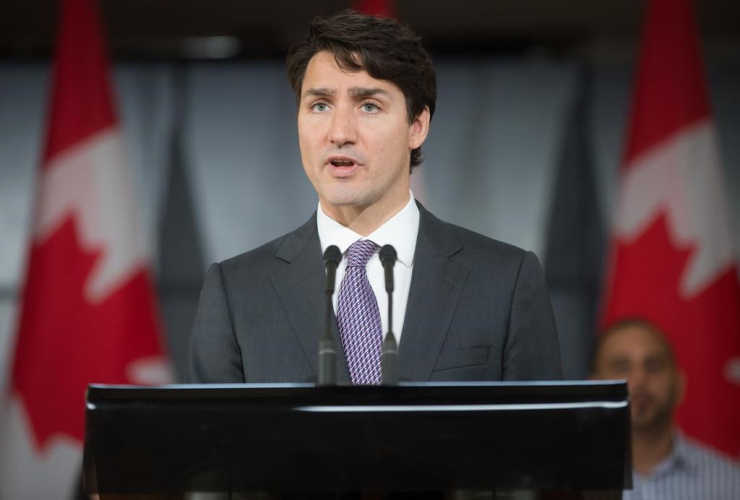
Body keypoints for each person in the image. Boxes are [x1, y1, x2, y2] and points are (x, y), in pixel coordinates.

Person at [189, 10, 562, 385]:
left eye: (368, 105)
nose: (339, 133)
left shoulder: (504, 281)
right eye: (320, 105)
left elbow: (542, 441)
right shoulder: (236, 292)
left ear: (416, 126)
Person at [592, 318, 740, 499]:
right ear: (594, 388)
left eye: (653, 366)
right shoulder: (565, 482)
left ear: (679, 385)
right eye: (622, 367)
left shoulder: (731, 485)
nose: (639, 379)